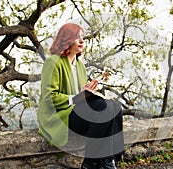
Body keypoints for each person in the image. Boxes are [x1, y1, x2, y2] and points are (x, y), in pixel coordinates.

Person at [37, 23, 124, 169]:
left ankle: (108, 160)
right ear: (66, 40)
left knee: (115, 106)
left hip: (77, 112)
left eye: (82, 37)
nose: (82, 41)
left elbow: (81, 96)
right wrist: (78, 97)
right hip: (59, 116)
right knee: (102, 107)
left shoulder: (80, 66)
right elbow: (49, 98)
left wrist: (88, 92)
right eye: (77, 37)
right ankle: (90, 163)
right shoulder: (52, 62)